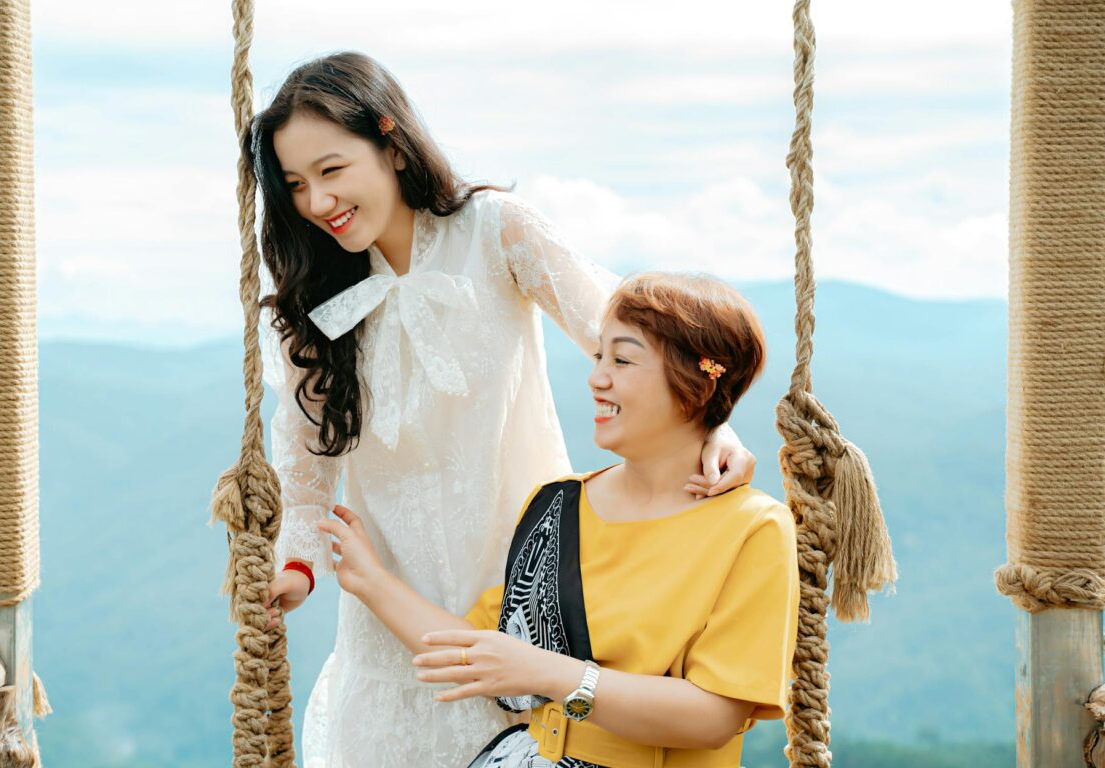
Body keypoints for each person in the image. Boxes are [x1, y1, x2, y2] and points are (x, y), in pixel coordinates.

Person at [250, 52, 758, 767]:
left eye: (332, 171)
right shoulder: (313, 307)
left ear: (392, 145)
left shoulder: (494, 231)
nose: (316, 202)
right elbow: (303, 470)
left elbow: (623, 331)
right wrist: (297, 566)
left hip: (524, 593)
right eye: (297, 185)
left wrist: (712, 421)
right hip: (384, 617)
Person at [319, 272, 798, 768]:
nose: (597, 378)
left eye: (623, 359)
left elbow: (714, 716)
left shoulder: (752, 529)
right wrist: (369, 580)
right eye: (599, 357)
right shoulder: (557, 505)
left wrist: (552, 674)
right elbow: (479, 651)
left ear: (696, 384)